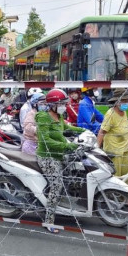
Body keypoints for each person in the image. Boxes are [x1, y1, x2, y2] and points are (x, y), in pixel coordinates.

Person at [36, 89, 85, 233]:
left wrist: (84, 130)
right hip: (47, 156)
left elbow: (67, 128)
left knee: (70, 177)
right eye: (61, 103)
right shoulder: (43, 117)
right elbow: (45, 140)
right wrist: (67, 145)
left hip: (59, 154)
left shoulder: (59, 116)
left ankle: (62, 206)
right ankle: (48, 221)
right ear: (52, 105)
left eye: (65, 103)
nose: (64, 106)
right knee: (56, 185)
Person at [97, 89, 128, 179]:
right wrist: (97, 150)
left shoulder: (123, 112)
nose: (126, 103)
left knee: (127, 177)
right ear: (117, 102)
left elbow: (125, 127)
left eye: (127, 101)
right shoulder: (111, 114)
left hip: (125, 150)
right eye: (124, 101)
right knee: (116, 178)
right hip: (114, 153)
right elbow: (102, 132)